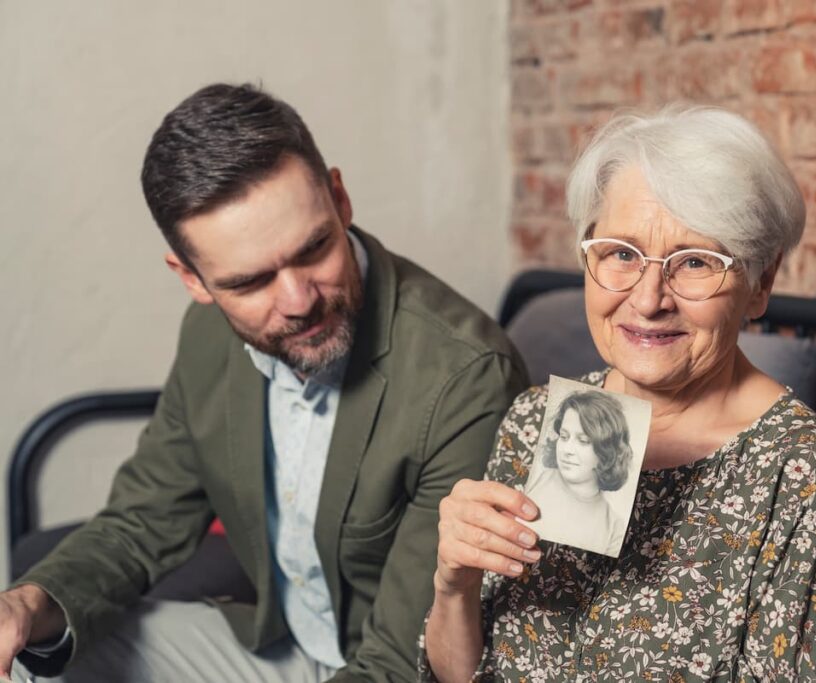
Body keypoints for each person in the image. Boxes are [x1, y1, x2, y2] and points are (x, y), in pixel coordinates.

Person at [0, 83, 527, 682]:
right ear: (194, 279)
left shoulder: (467, 377)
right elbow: (143, 519)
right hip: (278, 650)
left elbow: (405, 657)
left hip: (392, 669)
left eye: (314, 249)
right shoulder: (207, 334)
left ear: (339, 197)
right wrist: (27, 604)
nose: (299, 301)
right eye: (250, 283)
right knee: (30, 661)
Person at [422, 107, 816, 681]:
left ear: (760, 283)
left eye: (694, 262)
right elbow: (456, 673)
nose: (647, 299)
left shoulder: (807, 478)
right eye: (621, 253)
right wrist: (454, 586)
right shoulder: (536, 417)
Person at [524, 390, 633, 556]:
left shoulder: (613, 528)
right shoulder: (534, 479)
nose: (567, 450)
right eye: (564, 436)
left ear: (607, 451)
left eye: (583, 441)